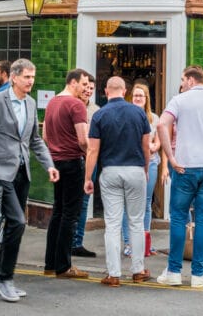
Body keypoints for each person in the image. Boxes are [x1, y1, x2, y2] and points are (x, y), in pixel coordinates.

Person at [0, 58, 59, 303]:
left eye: (33, 77)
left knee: (13, 225)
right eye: (26, 77)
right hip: (0, 173)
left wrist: (49, 165)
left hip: (22, 173)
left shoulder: (31, 103)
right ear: (13, 77)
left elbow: (34, 140)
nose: (31, 81)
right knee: (18, 221)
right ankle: (4, 278)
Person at [156, 64, 203, 288]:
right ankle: (199, 274)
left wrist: (170, 157)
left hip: (185, 166)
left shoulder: (179, 100)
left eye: (182, 80)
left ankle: (173, 271)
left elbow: (162, 124)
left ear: (190, 80)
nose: (181, 84)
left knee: (179, 217)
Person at [84, 75, 151, 286]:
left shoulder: (99, 115)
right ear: (125, 92)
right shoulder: (139, 113)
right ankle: (138, 270)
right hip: (135, 170)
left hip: (110, 171)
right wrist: (146, 169)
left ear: (106, 91)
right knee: (136, 221)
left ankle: (113, 274)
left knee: (112, 223)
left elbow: (93, 150)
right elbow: (146, 147)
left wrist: (88, 177)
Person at [43, 69, 90, 280]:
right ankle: (64, 266)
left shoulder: (53, 102)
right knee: (70, 215)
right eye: (83, 83)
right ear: (73, 82)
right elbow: (83, 140)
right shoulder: (76, 104)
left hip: (55, 161)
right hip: (72, 162)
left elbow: (44, 134)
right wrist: (89, 153)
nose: (85, 88)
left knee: (58, 212)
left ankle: (50, 264)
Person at [121, 81, 163, 258]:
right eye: (136, 95)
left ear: (147, 99)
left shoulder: (154, 118)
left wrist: (154, 146)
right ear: (131, 97)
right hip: (131, 163)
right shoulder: (125, 115)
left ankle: (145, 242)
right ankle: (129, 243)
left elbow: (159, 141)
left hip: (151, 162)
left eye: (141, 96)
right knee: (128, 204)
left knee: (146, 203)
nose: (138, 98)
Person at [72, 73, 100, 259]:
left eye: (91, 88)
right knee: (70, 203)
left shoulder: (96, 111)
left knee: (83, 203)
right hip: (73, 158)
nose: (88, 90)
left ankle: (77, 242)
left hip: (90, 159)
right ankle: (67, 241)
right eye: (86, 87)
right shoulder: (71, 105)